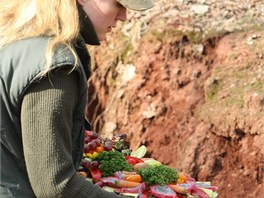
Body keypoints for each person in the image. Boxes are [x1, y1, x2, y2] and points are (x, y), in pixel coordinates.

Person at [0, 0, 154, 197]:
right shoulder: (54, 66)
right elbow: (55, 187)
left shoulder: (15, 38)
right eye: (118, 4)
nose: (124, 16)